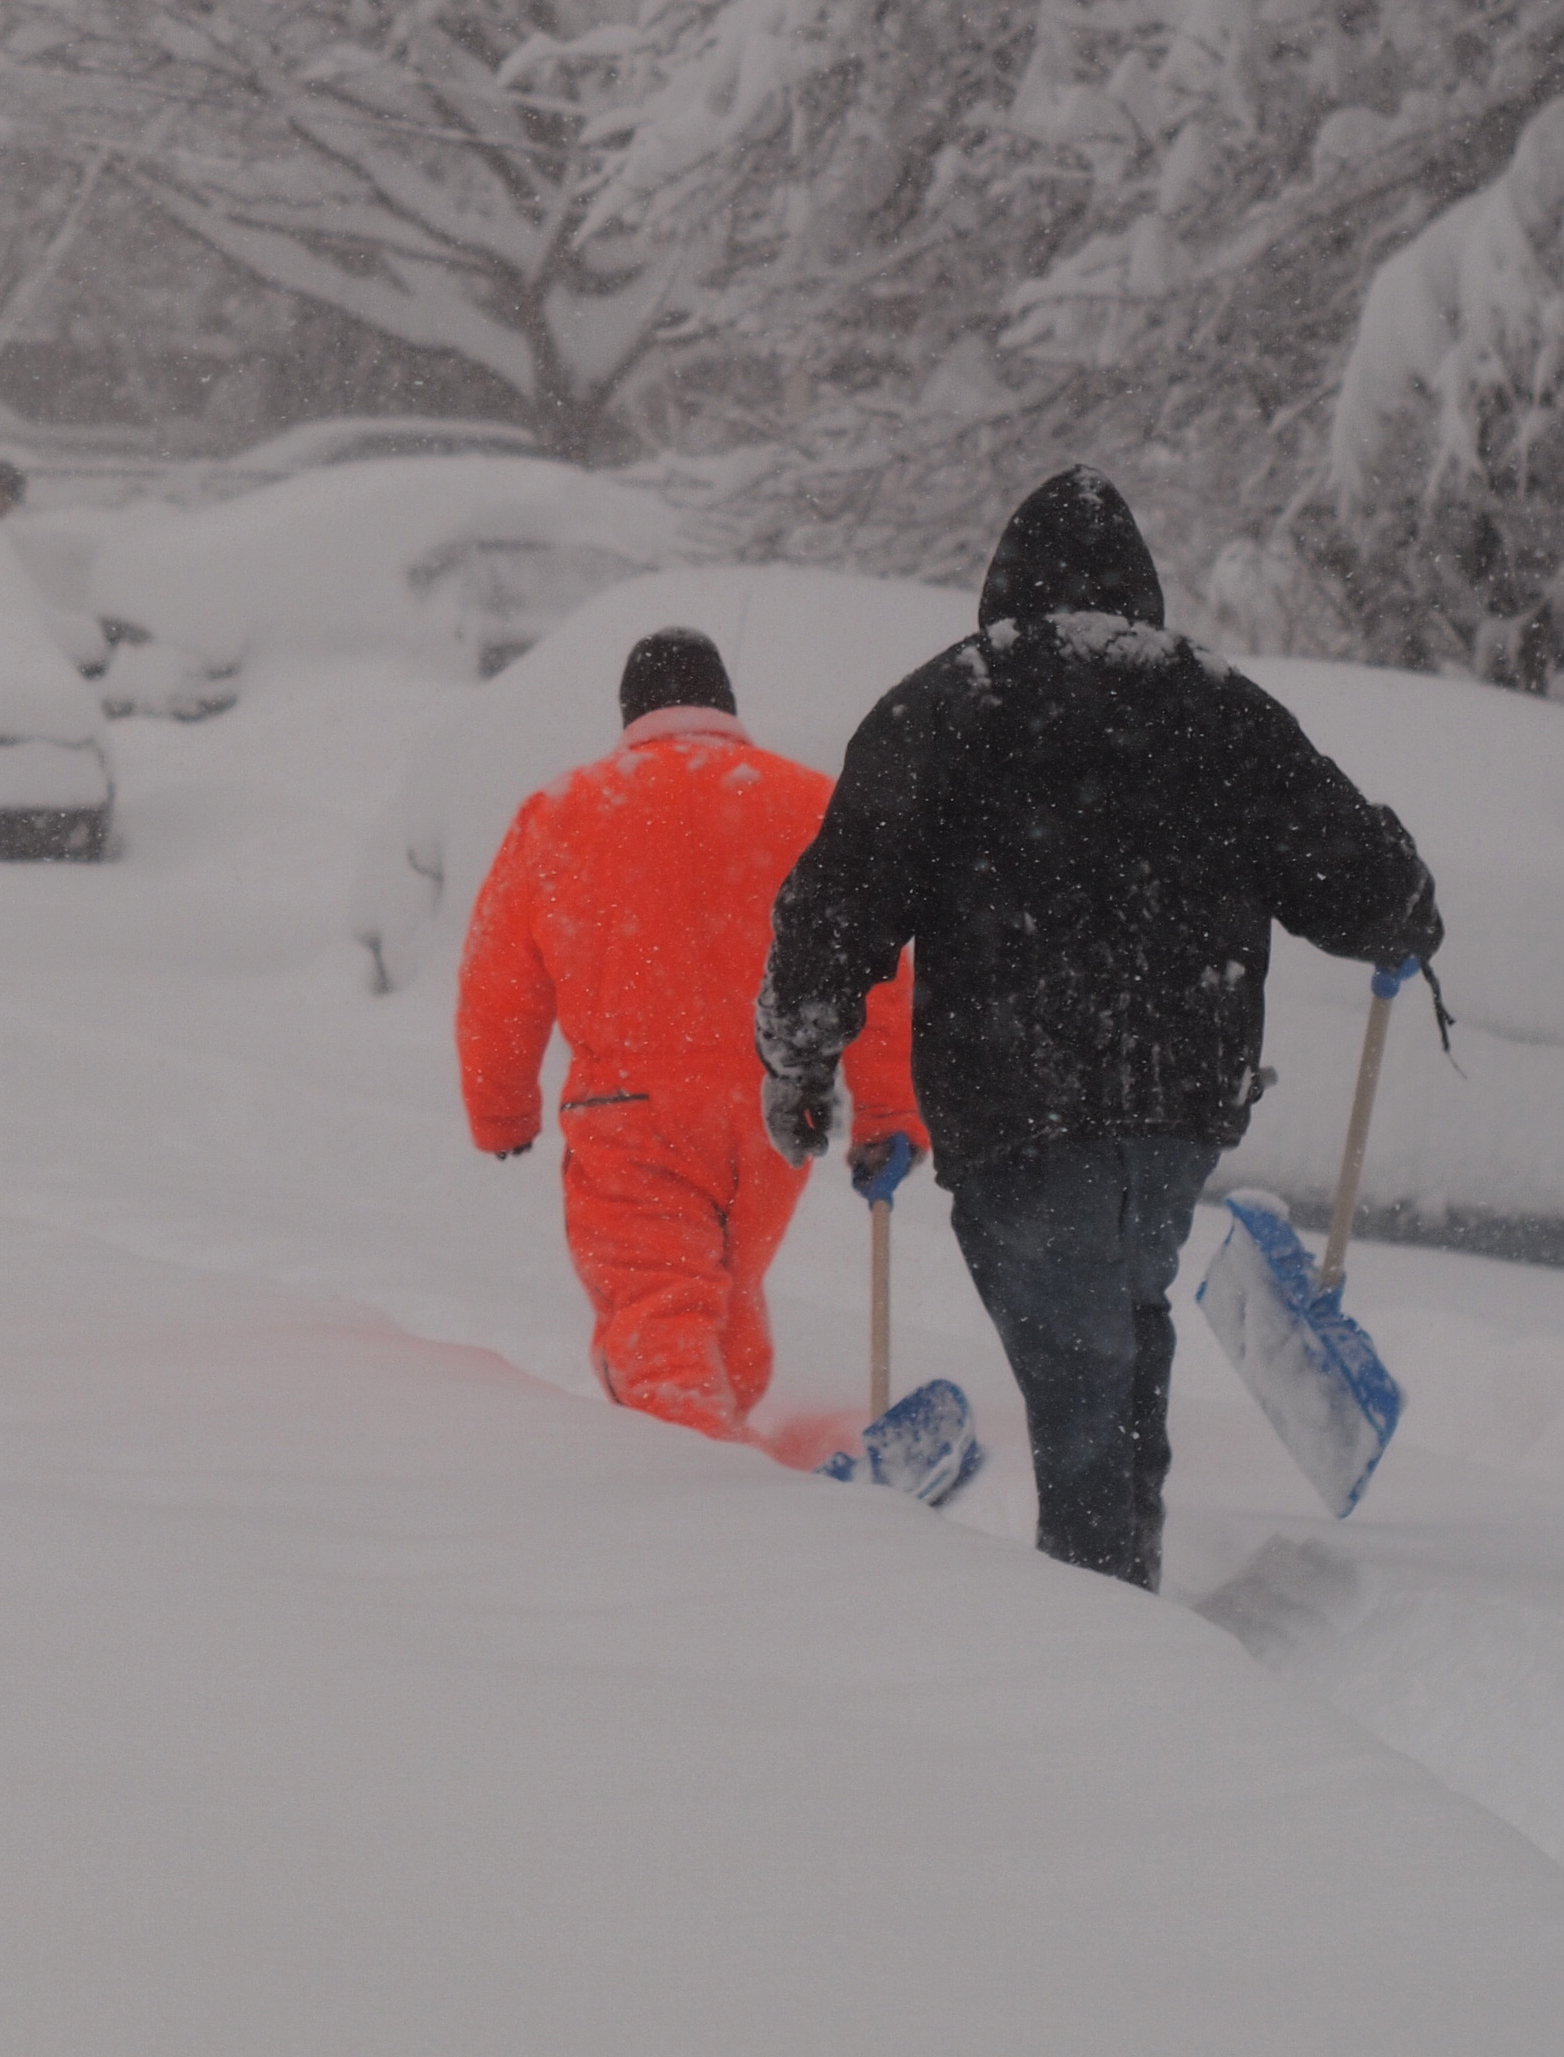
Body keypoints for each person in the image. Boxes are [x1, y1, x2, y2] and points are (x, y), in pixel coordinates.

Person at [755, 467, 1440, 1590]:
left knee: (1079, 1362)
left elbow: (838, 903)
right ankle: (1127, 1585)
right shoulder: (1219, 707)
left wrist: (799, 1054)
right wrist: (1404, 906)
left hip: (1014, 1097)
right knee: (1117, 1322)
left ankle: (1102, 1625)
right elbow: (1352, 872)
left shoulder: (949, 703)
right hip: (1177, 1100)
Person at [459, 627, 919, 1444]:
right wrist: (889, 1112)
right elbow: (877, 973)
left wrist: (502, 1112)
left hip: (631, 1113)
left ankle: (696, 1485)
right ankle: (737, 1455)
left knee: (661, 1310)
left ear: (631, 713)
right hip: (775, 1107)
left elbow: (498, 981)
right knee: (727, 1295)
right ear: (724, 705)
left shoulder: (563, 812)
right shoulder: (808, 802)